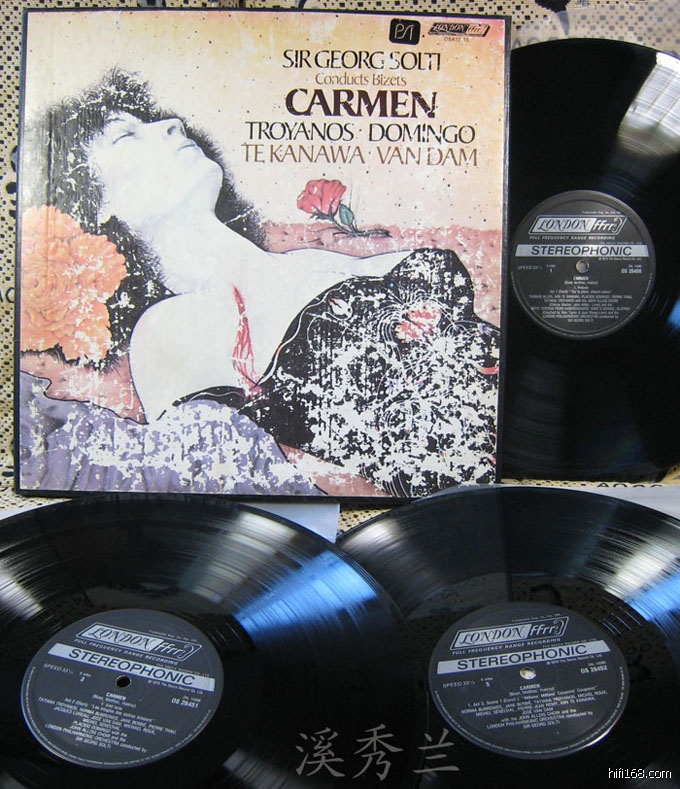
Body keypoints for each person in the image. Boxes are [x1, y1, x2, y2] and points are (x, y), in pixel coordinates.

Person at [19, 70, 500, 497]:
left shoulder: (312, 257)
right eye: (125, 136)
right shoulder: (168, 328)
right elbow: (246, 489)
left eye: (155, 121)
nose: (172, 124)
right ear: (95, 204)